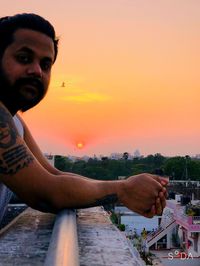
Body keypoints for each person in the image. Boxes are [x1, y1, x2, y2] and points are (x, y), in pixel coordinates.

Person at [0, 13, 168, 225]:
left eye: (45, 64)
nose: (36, 71)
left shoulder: (14, 122)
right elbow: (45, 192)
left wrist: (128, 185)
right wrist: (123, 190)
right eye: (24, 58)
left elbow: (53, 174)